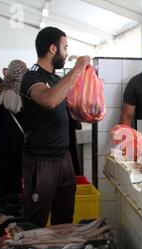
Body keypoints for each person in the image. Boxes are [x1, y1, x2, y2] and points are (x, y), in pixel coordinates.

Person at [20, 26, 90, 227]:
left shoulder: (57, 78)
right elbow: (49, 100)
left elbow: (67, 108)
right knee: (35, 221)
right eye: (65, 48)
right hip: (41, 161)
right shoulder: (32, 77)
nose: (66, 54)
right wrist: (77, 69)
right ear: (52, 48)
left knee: (65, 218)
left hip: (63, 157)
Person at [0, 59, 28, 197]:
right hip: (19, 138)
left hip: (4, 136)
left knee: (7, 165)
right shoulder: (22, 89)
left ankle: (8, 195)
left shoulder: (4, 87)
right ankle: (19, 195)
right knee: (19, 167)